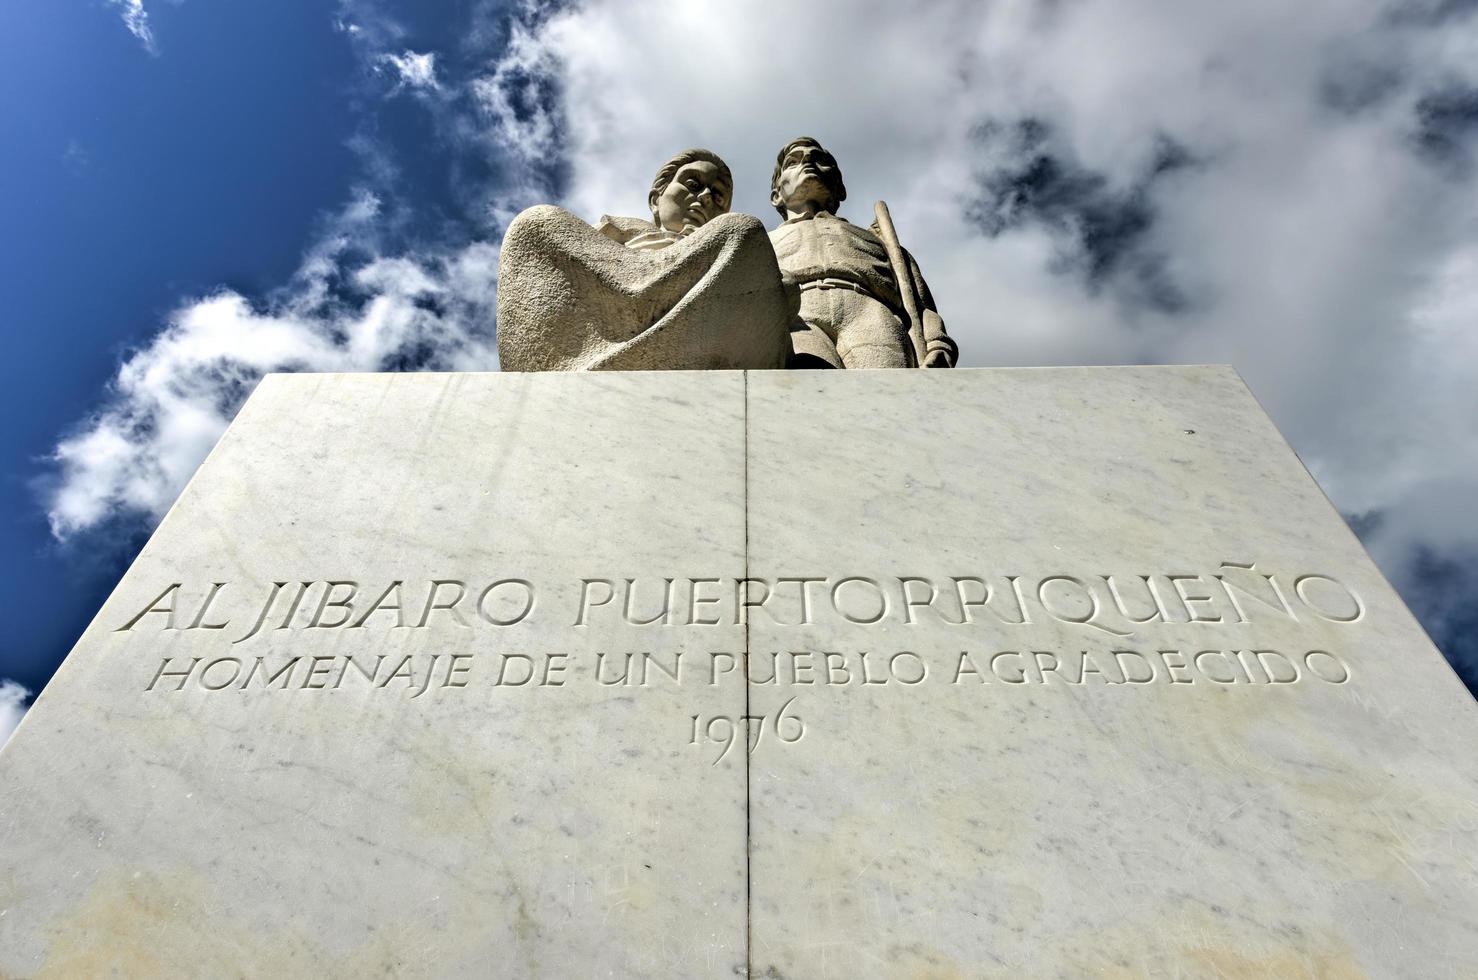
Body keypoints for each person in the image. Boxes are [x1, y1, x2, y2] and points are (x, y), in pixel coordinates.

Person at [497, 148, 794, 372]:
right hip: (612, 312)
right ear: (656, 199)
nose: (704, 197)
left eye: (717, 196)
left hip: (708, 326)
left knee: (743, 230)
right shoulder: (619, 231)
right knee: (535, 222)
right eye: (693, 184)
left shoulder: (731, 239)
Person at [768, 137, 957, 369]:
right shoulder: (763, 242)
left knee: (888, 393)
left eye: (820, 160)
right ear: (776, 194)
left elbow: (921, 305)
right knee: (806, 390)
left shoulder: (883, 243)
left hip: (870, 312)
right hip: (797, 314)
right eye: (792, 162)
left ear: (840, 188)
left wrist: (938, 342)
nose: (807, 160)